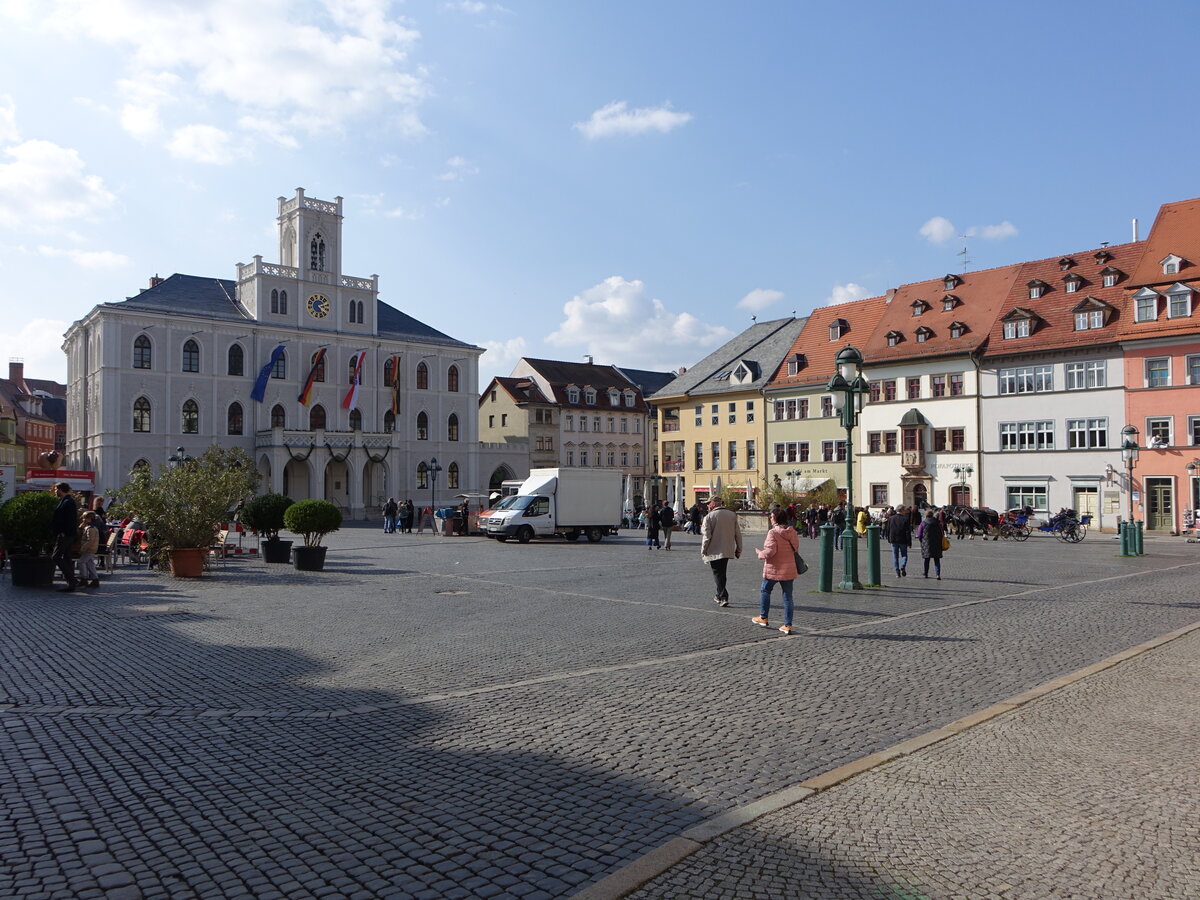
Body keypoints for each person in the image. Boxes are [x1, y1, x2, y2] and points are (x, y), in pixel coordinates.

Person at [752, 508, 800, 634]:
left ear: (776, 518)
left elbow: (770, 551)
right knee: (788, 597)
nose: (770, 518)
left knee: (765, 590)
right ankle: (788, 625)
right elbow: (796, 549)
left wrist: (760, 553)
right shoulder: (792, 532)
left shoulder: (773, 533)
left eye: (772, 516)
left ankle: (763, 617)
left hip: (774, 568)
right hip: (788, 568)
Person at [701, 496, 742, 606]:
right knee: (722, 573)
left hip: (714, 550)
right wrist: (739, 549)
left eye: (708, 503)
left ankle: (723, 597)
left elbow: (706, 537)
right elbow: (738, 534)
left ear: (713, 504)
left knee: (717, 573)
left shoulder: (709, 517)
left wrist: (703, 550)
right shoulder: (732, 515)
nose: (707, 505)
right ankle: (719, 595)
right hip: (727, 549)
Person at [51, 482, 79, 592]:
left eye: (56, 489)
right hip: (67, 533)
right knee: (67, 557)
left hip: (66, 534)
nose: (54, 491)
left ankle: (72, 580)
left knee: (56, 556)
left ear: (61, 489)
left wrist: (63, 531)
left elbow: (69, 519)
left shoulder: (68, 502)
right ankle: (71, 583)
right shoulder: (66, 501)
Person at [885, 505, 913, 577]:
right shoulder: (905, 519)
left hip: (893, 540)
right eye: (904, 510)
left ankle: (897, 572)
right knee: (904, 555)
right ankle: (903, 565)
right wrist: (909, 542)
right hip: (903, 540)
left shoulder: (891, 518)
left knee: (895, 556)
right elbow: (907, 532)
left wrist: (889, 539)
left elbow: (888, 529)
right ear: (902, 510)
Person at [917, 510, 944, 580]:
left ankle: (926, 573)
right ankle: (938, 574)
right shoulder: (938, 523)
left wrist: (921, 541)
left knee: (927, 559)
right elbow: (941, 532)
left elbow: (919, 534)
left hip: (926, 543)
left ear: (926, 515)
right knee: (937, 559)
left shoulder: (923, 523)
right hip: (937, 543)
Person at [77, 511, 101, 588]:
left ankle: (84, 578)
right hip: (91, 548)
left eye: (85, 518)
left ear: (89, 519)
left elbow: (90, 541)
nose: (83, 519)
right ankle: (95, 579)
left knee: (81, 562)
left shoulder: (91, 529)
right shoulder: (89, 527)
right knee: (90, 564)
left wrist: (83, 549)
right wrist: (81, 527)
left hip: (89, 549)